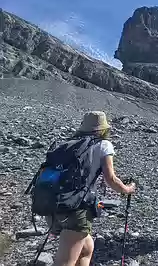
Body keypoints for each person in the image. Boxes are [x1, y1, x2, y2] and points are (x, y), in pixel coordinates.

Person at [49, 111, 136, 266]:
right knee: (65, 261)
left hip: (53, 204)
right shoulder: (103, 144)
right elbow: (111, 179)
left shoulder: (69, 144)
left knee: (86, 248)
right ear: (102, 129)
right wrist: (127, 189)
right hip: (77, 208)